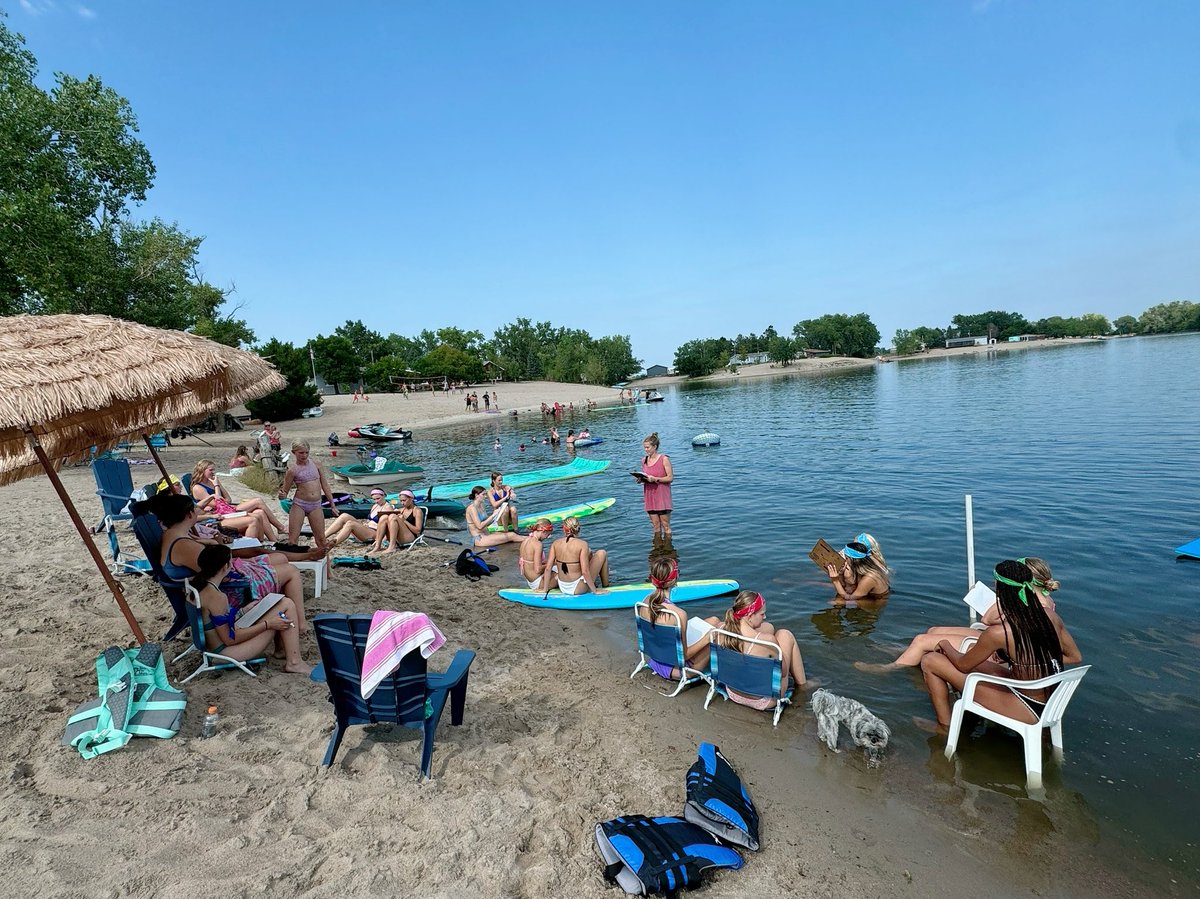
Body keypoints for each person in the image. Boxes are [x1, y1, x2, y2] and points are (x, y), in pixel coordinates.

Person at [920, 559, 1082, 729]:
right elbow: (1075, 656)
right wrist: (1039, 663)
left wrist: (944, 644)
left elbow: (963, 665)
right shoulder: (1050, 615)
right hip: (1052, 700)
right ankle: (970, 718)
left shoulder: (1000, 632)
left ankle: (943, 727)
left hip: (1026, 707)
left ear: (1000, 589)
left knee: (931, 660)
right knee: (980, 663)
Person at [856, 557, 1061, 672]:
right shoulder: (1045, 601)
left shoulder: (1029, 605)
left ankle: (891, 667)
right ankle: (908, 654)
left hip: (999, 649)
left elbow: (987, 619)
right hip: (999, 640)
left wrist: (1001, 598)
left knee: (921, 640)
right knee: (933, 630)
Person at [151, 492, 313, 634]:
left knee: (280, 559)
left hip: (212, 583)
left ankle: (291, 622)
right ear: (189, 515)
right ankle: (300, 624)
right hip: (226, 589)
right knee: (291, 571)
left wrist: (208, 543)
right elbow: (219, 572)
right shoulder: (184, 545)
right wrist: (214, 544)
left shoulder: (174, 535)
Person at [193, 545, 310, 675]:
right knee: (286, 605)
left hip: (212, 647)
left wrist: (242, 612)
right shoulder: (217, 597)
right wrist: (267, 625)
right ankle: (294, 662)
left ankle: (284, 651)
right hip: (225, 652)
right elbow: (230, 639)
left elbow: (213, 623)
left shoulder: (195, 588)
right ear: (225, 567)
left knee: (282, 603)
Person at [714, 590, 808, 706]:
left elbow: (766, 627)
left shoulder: (719, 630)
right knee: (785, 635)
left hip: (733, 691)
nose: (765, 616)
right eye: (762, 614)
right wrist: (783, 652)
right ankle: (803, 685)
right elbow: (783, 673)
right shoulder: (768, 641)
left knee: (769, 627)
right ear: (749, 616)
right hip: (762, 700)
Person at [636, 557, 716, 679]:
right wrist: (707, 639)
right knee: (718, 634)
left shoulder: (644, 603)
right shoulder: (678, 614)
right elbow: (684, 655)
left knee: (714, 621)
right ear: (675, 579)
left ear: (652, 579)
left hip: (655, 659)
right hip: (677, 670)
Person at [191, 460, 283, 540]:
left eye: (213, 470)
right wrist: (216, 486)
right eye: (211, 470)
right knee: (258, 501)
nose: (213, 472)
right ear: (202, 471)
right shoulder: (198, 488)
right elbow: (217, 504)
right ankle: (279, 528)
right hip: (218, 515)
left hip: (227, 509)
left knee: (260, 512)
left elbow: (228, 499)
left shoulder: (212, 482)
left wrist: (217, 487)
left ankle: (273, 541)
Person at [277, 441, 338, 549]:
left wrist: (332, 505)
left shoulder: (317, 465)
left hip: (316, 505)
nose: (304, 455)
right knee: (293, 540)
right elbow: (285, 491)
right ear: (293, 452)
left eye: (306, 453)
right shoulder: (292, 470)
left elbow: (325, 486)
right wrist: (282, 496)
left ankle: (326, 565)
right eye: (301, 453)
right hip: (299, 504)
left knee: (322, 540)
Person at [543, 517, 609, 596]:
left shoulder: (555, 543)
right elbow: (585, 572)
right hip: (578, 588)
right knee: (602, 553)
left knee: (589, 554)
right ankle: (606, 586)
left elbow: (548, 568)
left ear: (564, 529)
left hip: (563, 587)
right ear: (578, 529)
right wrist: (595, 591)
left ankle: (597, 582)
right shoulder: (582, 544)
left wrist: (545, 589)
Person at [325, 487, 394, 553]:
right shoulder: (375, 506)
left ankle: (333, 543)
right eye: (374, 499)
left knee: (350, 523)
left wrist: (383, 539)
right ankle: (323, 537)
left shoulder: (388, 507)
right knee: (344, 516)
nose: (376, 501)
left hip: (375, 533)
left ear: (384, 495)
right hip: (367, 529)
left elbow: (389, 525)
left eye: (378, 499)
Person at [826, 537, 890, 602]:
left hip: (875, 601)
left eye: (845, 557)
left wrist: (835, 580)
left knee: (836, 602)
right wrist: (840, 574)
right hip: (867, 596)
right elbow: (845, 588)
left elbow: (849, 598)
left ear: (851, 559)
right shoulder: (861, 569)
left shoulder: (870, 578)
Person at [637, 432, 673, 537]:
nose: (646, 450)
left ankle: (668, 550)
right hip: (650, 496)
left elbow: (670, 478)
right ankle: (657, 549)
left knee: (665, 525)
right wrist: (641, 479)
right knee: (655, 526)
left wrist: (656, 479)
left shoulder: (664, 459)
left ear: (655, 447)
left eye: (647, 447)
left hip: (662, 496)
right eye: (644, 448)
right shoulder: (644, 460)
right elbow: (646, 476)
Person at [518, 518, 556, 590]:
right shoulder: (538, 544)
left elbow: (531, 562)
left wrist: (550, 561)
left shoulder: (526, 540)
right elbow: (538, 569)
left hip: (531, 581)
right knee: (563, 573)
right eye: (548, 534)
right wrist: (552, 563)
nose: (548, 537)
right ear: (544, 531)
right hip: (537, 583)